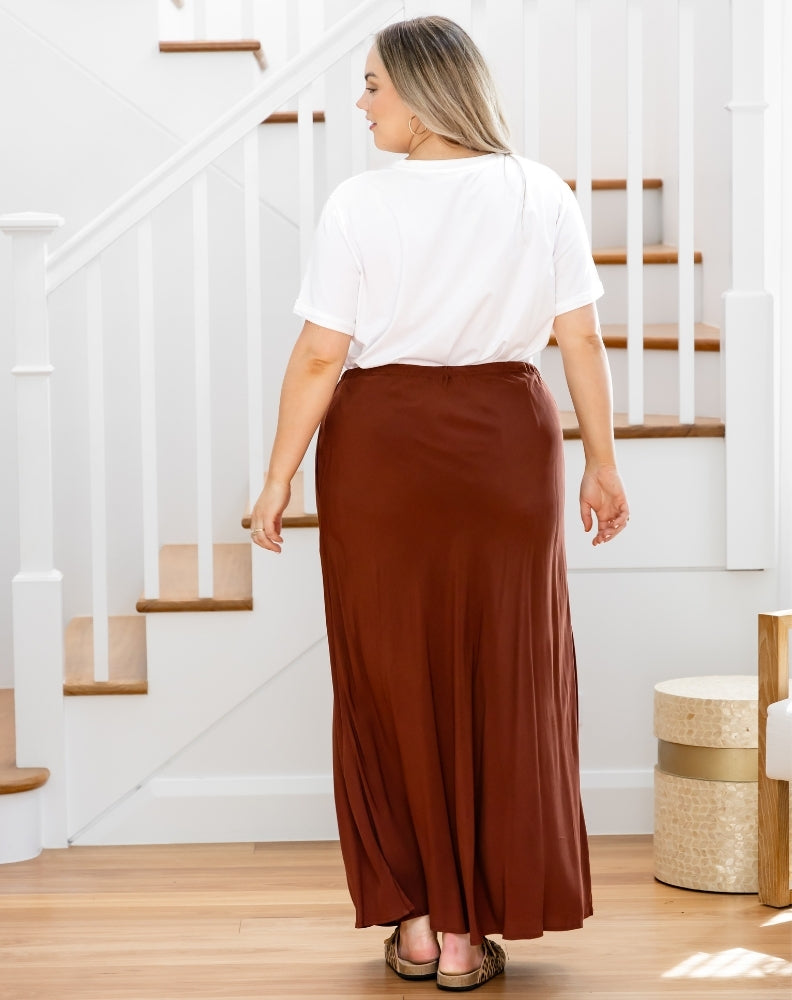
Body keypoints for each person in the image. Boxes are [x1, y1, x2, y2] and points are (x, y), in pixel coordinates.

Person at [250, 15, 629, 993]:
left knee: (391, 679)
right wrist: (603, 463)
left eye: (374, 85)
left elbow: (323, 355)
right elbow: (579, 343)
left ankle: (419, 928)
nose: (363, 102)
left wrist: (279, 474)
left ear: (422, 94)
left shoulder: (357, 206)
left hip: (383, 454)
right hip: (508, 448)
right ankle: (469, 942)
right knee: (505, 675)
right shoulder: (541, 192)